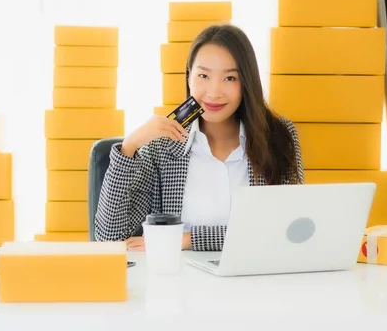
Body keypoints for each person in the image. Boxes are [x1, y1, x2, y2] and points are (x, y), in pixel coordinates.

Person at [94, 24, 304, 251]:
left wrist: (187, 240)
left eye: (230, 78)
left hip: (255, 280)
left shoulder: (279, 137)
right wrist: (129, 146)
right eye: (203, 75)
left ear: (247, 83)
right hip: (179, 281)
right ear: (189, 77)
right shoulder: (161, 147)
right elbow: (109, 238)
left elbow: (286, 229)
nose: (214, 92)